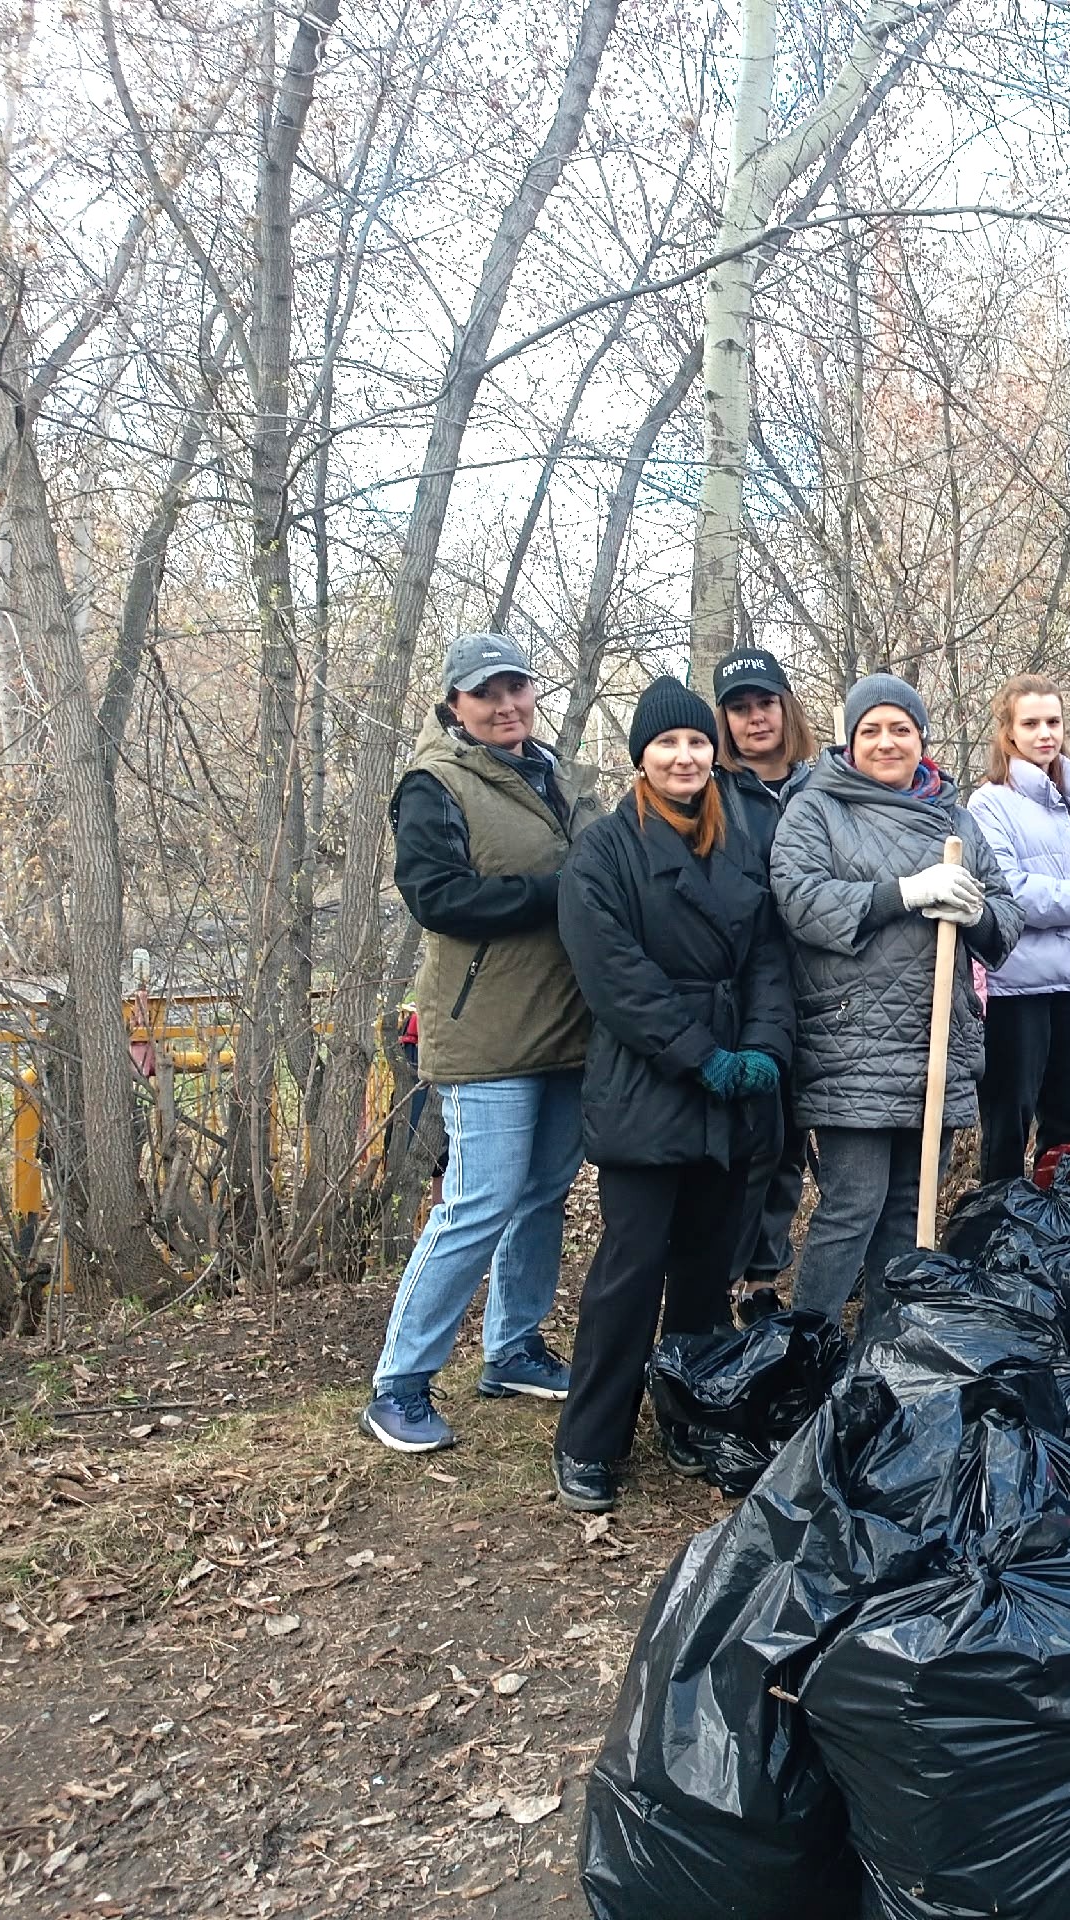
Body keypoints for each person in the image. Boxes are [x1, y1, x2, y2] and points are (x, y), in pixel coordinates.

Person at [550, 678, 794, 1512]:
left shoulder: (739, 840)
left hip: (733, 1083)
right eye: (668, 746)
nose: (686, 757)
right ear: (642, 760)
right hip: (648, 1085)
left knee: (703, 1267)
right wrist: (702, 1057)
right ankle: (590, 1440)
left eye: (697, 743)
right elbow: (617, 980)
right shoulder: (605, 852)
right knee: (631, 1268)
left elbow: (768, 953)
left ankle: (688, 1412)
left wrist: (763, 1047)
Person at [361, 634, 594, 1455]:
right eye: (486, 695)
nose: (506, 707)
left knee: (542, 1195)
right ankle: (399, 1384)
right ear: (454, 704)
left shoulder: (551, 771)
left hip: (565, 1028)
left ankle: (515, 1350)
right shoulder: (435, 782)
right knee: (478, 1201)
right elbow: (437, 897)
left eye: (517, 690)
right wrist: (556, 896)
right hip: (484, 1032)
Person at [771, 673, 1023, 1315]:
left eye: (900, 729)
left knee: (912, 1208)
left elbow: (1005, 910)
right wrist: (902, 894)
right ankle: (807, 1347)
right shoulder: (816, 807)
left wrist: (979, 915)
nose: (887, 743)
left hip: (938, 1037)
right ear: (849, 741)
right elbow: (799, 902)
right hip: (852, 1041)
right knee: (852, 1204)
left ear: (921, 738)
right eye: (871, 731)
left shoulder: (953, 815)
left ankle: (883, 1351)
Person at [966, 674, 1070, 1181]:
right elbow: (1009, 891)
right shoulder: (989, 803)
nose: (1045, 733)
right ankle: (997, 1224)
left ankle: (1062, 1226)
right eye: (1031, 723)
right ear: (1009, 733)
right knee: (1009, 1122)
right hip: (1019, 985)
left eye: (1054, 721)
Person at [713, 646, 820, 1314]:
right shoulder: (714, 792)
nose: (756, 719)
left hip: (828, 985)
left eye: (766, 703)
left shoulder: (826, 783)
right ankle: (723, 1274)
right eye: (741, 708)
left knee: (801, 1145)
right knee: (756, 1140)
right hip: (750, 991)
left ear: (787, 707)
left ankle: (765, 1280)